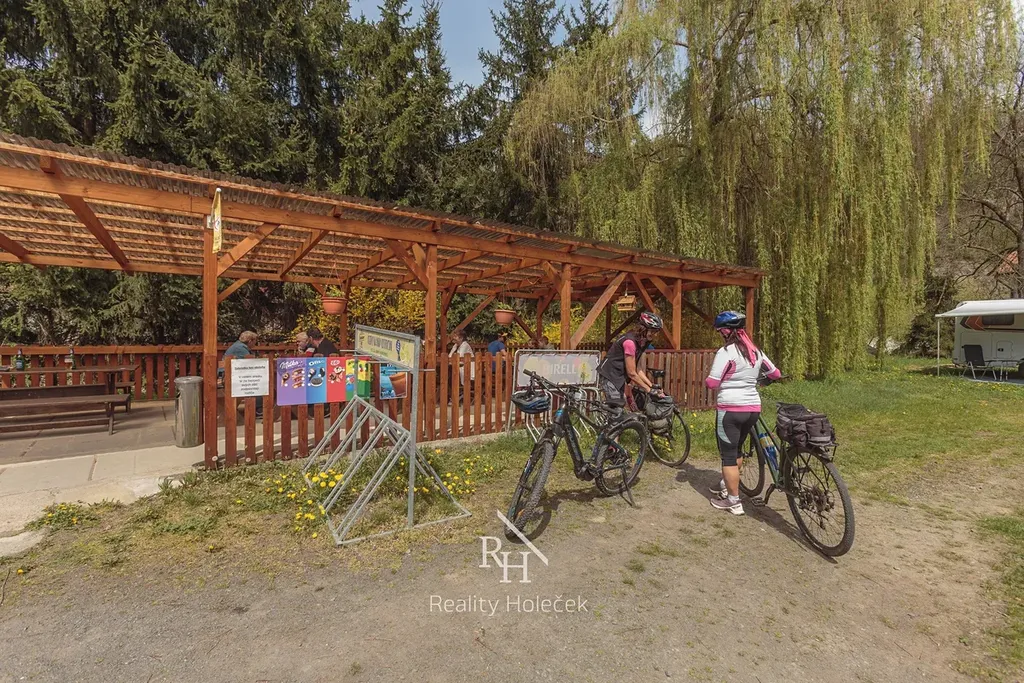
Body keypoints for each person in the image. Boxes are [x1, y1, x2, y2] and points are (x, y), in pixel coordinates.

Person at [705, 311, 781, 516]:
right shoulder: (755, 351)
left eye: (720, 331)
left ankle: (733, 501)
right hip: (753, 409)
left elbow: (712, 382)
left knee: (728, 456)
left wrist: (722, 379)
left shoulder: (726, 352)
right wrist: (758, 382)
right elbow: (775, 373)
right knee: (737, 450)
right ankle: (726, 485)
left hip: (730, 409)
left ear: (726, 332)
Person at [597, 312, 663, 415]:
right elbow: (632, 373)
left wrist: (651, 385)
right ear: (643, 329)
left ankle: (611, 422)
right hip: (609, 374)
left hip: (619, 376)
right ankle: (609, 424)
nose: (655, 335)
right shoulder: (630, 343)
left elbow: (638, 369)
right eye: (653, 331)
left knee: (619, 407)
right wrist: (648, 390)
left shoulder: (642, 342)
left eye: (656, 332)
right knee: (616, 409)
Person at [448, 330, 475, 401]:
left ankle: (455, 396)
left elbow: (459, 357)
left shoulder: (465, 345)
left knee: (450, 376)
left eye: (456, 336)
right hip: (460, 366)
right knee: (449, 376)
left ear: (461, 338)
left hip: (468, 368)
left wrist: (451, 361)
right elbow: (449, 356)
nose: (454, 338)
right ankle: (453, 395)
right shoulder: (456, 345)